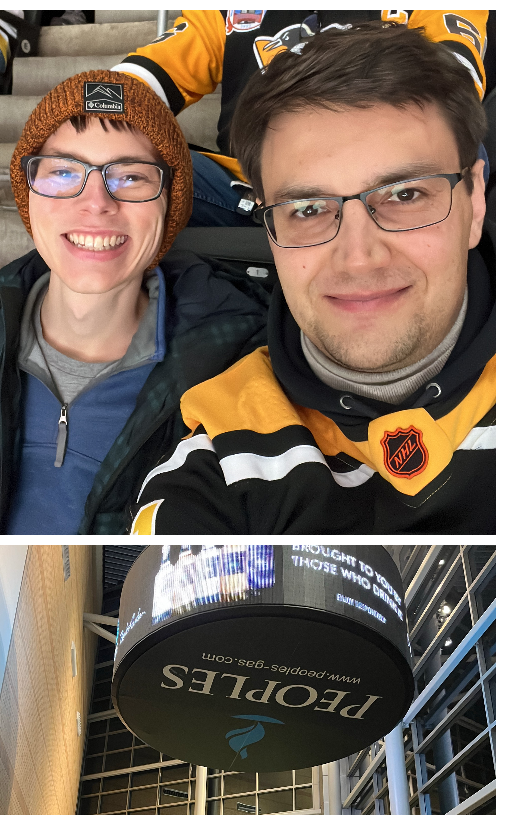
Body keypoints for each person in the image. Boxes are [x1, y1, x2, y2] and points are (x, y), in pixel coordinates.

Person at [130, 23, 493, 533]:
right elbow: (148, 74)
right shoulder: (218, 454)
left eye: (405, 194)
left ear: (476, 203)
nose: (359, 258)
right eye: (307, 208)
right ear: (270, 227)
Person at [0, 70, 270, 533]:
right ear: (27, 193)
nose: (96, 202)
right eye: (64, 172)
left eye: (130, 176)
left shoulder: (241, 363)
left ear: (169, 203)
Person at [111, 10, 489, 227]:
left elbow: (453, 86)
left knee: (465, 149)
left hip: (387, 186)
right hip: (250, 190)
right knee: (109, 166)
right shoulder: (225, 11)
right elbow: (144, 77)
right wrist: (87, 112)